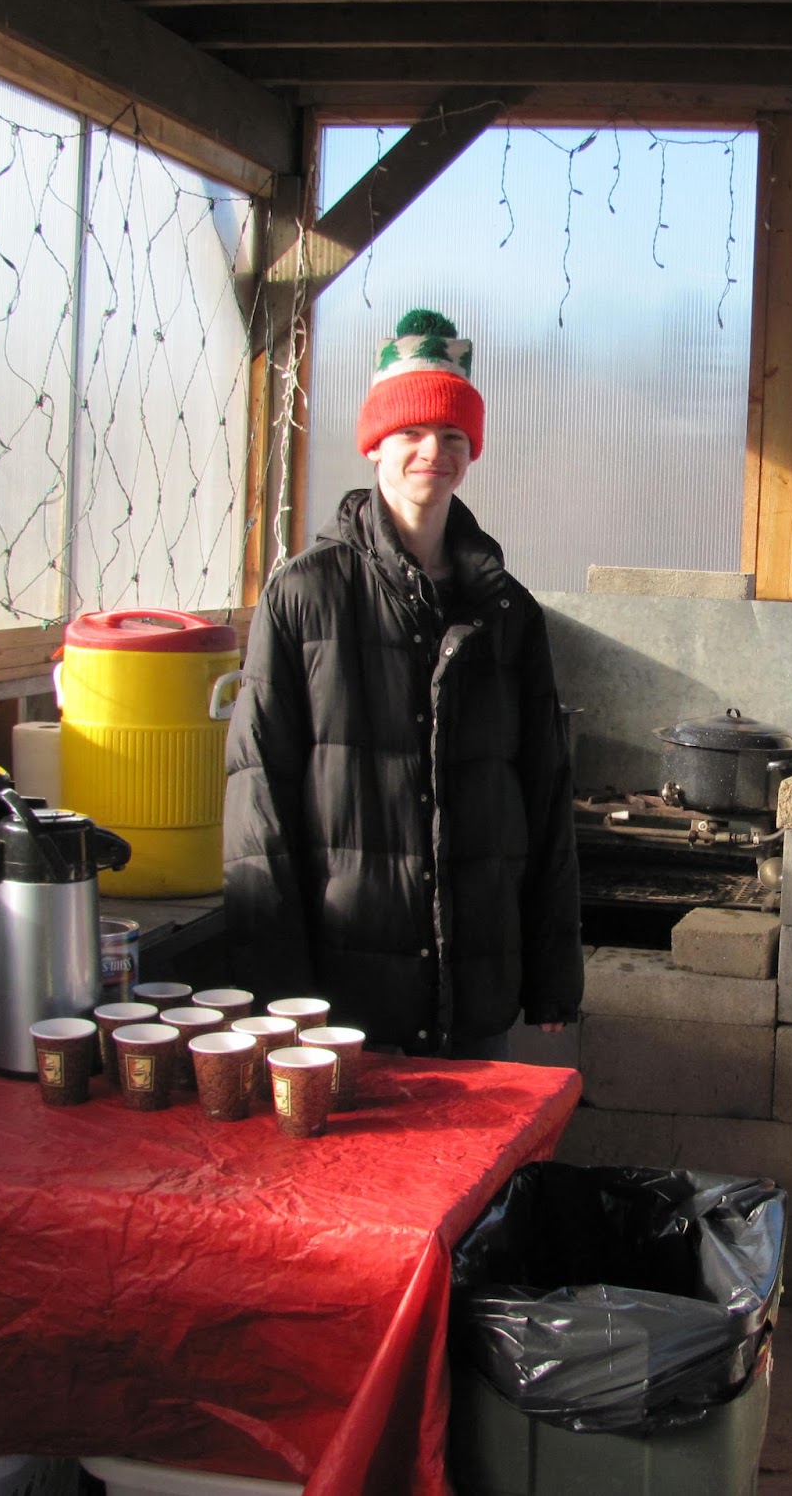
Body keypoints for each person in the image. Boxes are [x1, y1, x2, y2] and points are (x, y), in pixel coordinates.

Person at [222, 308, 582, 1059]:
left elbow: (545, 794)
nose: (432, 452)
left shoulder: (509, 613)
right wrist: (277, 991)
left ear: (472, 450)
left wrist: (552, 969)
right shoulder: (303, 596)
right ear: (375, 443)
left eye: (453, 435)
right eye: (411, 431)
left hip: (474, 990)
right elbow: (259, 802)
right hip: (345, 996)